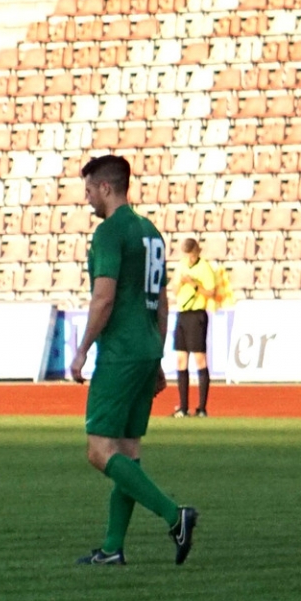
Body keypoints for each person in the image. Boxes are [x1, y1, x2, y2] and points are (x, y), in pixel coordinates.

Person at [70, 155, 197, 567]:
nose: (87, 198)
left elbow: (103, 297)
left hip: (121, 352)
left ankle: (174, 515)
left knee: (99, 451)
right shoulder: (151, 233)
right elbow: (161, 301)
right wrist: (157, 356)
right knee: (126, 450)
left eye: (90, 190)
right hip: (145, 348)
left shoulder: (110, 233)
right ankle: (112, 547)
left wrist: (83, 348)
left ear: (106, 188)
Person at [169, 237, 220, 418]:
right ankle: (183, 407)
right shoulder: (181, 265)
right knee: (181, 359)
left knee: (200, 359)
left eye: (192, 255)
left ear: (197, 252)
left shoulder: (204, 268)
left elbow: (211, 292)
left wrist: (194, 285)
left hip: (196, 314)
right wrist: (180, 284)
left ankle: (202, 408)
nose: (189, 259)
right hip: (182, 313)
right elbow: (174, 289)